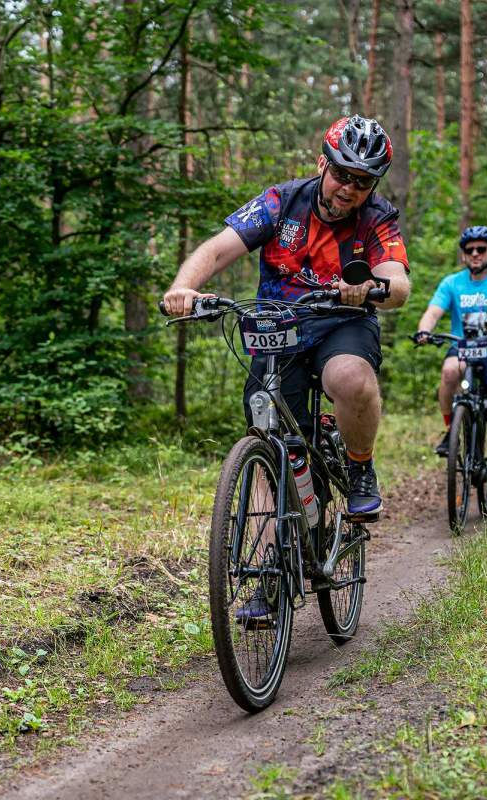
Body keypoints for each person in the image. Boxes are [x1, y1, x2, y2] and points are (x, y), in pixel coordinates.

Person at [163, 115, 411, 517]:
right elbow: (218, 249)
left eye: (362, 181)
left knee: (348, 376)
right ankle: (263, 571)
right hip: (278, 327)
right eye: (342, 174)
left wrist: (370, 288)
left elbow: (397, 283)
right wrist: (183, 289)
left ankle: (360, 466)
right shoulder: (281, 201)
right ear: (321, 164)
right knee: (268, 435)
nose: (349, 188)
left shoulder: (377, 217)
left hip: (342, 323)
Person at [415, 226, 487, 497]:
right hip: (465, 349)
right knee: (448, 372)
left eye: (481, 249)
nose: (476, 254)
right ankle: (452, 430)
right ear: (463, 256)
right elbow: (433, 312)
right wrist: (424, 330)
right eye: (470, 250)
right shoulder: (452, 283)